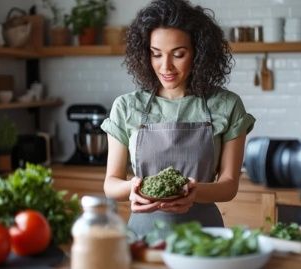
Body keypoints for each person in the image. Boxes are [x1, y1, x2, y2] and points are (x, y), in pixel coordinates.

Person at [100, 0, 255, 237]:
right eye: (156, 54)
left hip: (204, 238)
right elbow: (111, 183)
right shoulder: (127, 107)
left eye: (178, 54)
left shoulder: (226, 105)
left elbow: (229, 185)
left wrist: (194, 192)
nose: (166, 66)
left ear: (198, 53)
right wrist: (132, 188)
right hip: (143, 236)